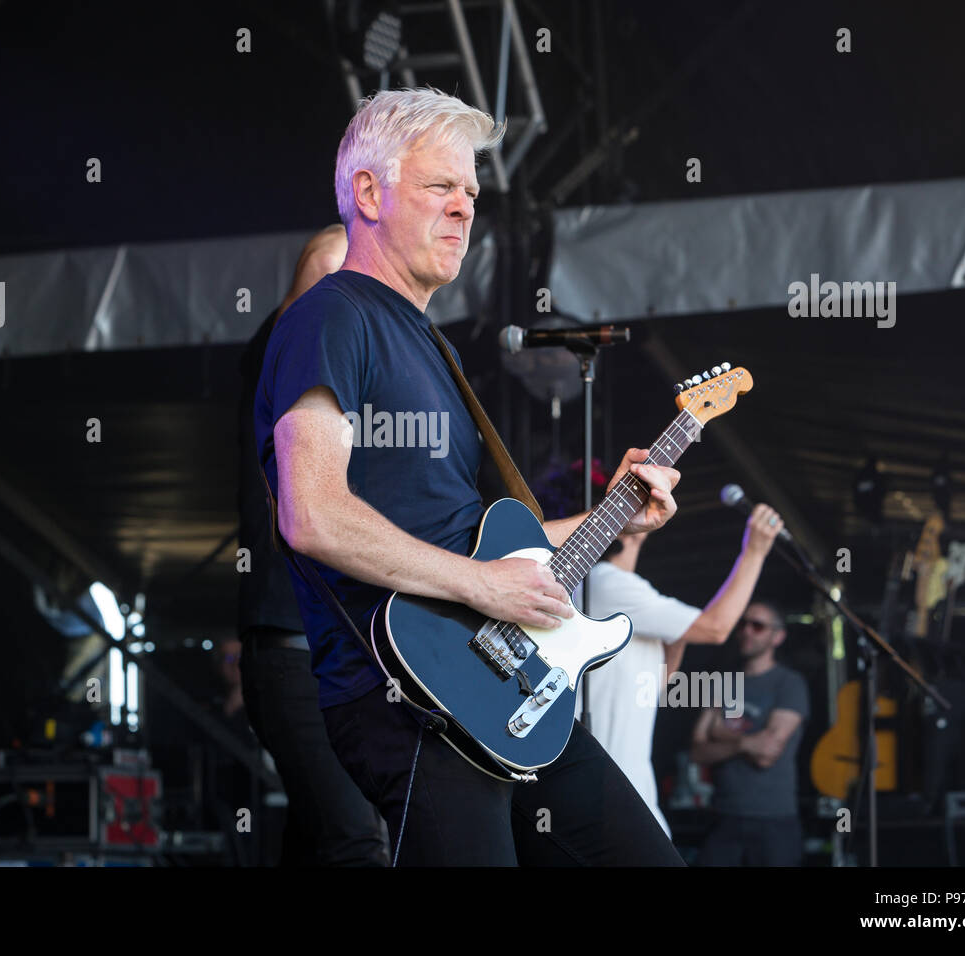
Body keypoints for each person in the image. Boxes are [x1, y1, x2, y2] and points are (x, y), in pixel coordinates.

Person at [255, 87, 684, 866]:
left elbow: (495, 546)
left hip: (504, 681)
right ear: (368, 193)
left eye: (472, 192)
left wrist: (614, 515)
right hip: (411, 692)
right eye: (440, 187)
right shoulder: (331, 315)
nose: (464, 208)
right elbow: (310, 513)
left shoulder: (431, 344)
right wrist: (478, 587)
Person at [237, 224, 387, 865]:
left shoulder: (368, 399)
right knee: (358, 843)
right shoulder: (279, 357)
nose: (340, 291)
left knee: (320, 840)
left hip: (357, 652)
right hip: (291, 655)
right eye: (328, 276)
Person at [572, 499, 787, 836]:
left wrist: (678, 632)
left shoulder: (612, 589)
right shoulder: (609, 583)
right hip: (609, 795)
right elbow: (717, 628)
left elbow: (657, 684)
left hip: (625, 792)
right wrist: (755, 551)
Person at [690, 600, 810, 866]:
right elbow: (698, 752)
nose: (747, 631)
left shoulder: (789, 684)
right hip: (724, 817)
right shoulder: (723, 683)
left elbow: (767, 753)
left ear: (777, 637)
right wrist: (747, 743)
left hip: (774, 821)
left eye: (758, 626)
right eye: (743, 624)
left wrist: (721, 733)